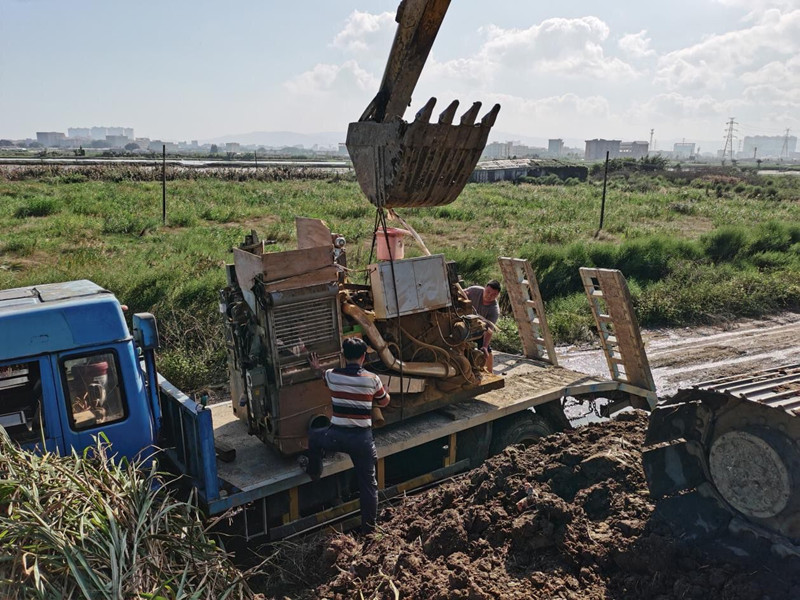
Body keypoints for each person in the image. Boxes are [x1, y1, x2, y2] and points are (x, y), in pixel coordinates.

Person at [305, 337, 390, 533]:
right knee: (369, 485)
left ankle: (314, 472)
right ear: (363, 357)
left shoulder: (333, 376)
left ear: (343, 355)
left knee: (314, 436)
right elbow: (384, 402)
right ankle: (369, 530)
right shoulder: (372, 379)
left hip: (336, 436)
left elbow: (320, 374)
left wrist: (315, 366)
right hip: (361, 440)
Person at [464, 280, 501, 373]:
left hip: (480, 329)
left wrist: (485, 345)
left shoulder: (494, 310)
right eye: (488, 292)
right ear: (484, 288)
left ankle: (490, 371)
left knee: (486, 349)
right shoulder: (474, 290)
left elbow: (489, 330)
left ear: (497, 295)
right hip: (465, 321)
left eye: (494, 295)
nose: (489, 296)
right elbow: (461, 293)